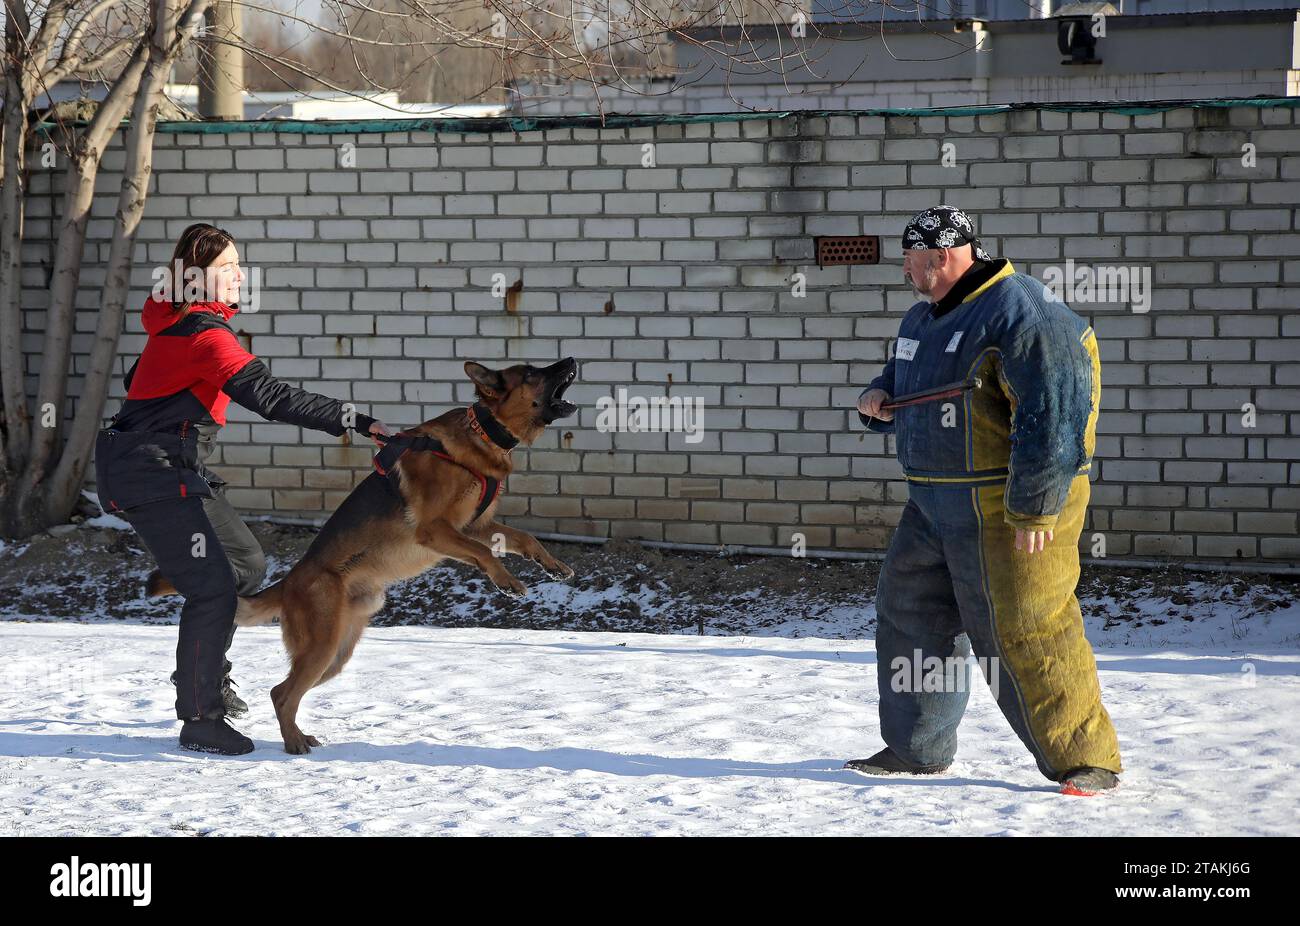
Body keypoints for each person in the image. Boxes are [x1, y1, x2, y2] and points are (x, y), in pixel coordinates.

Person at [849, 205, 1123, 795]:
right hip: (931, 501)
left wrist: (1036, 506)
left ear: (941, 256)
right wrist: (878, 396)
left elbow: (1056, 417)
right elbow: (901, 382)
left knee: (1029, 627)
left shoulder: (1024, 314)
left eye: (910, 257)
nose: (903, 268)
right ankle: (915, 748)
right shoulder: (923, 319)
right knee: (910, 617)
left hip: (1009, 507)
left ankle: (1085, 760)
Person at [95, 223, 392, 756]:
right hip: (151, 470)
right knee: (212, 587)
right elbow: (271, 397)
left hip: (174, 465)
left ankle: (204, 671)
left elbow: (140, 373)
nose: (239, 275)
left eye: (239, 264)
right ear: (195, 279)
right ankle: (200, 715)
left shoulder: (177, 325)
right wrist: (359, 421)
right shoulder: (204, 337)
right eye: (227, 266)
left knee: (245, 565)